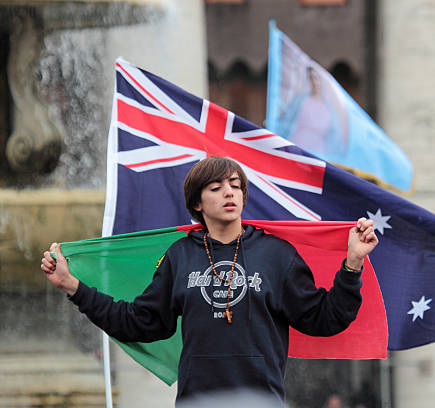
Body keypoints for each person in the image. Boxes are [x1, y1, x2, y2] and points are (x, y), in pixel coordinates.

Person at [41, 156, 378, 404]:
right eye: (216, 188)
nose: (229, 193)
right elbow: (140, 323)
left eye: (235, 186)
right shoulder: (179, 256)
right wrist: (74, 287)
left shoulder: (277, 254)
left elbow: (325, 318)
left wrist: (352, 263)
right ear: (197, 203)